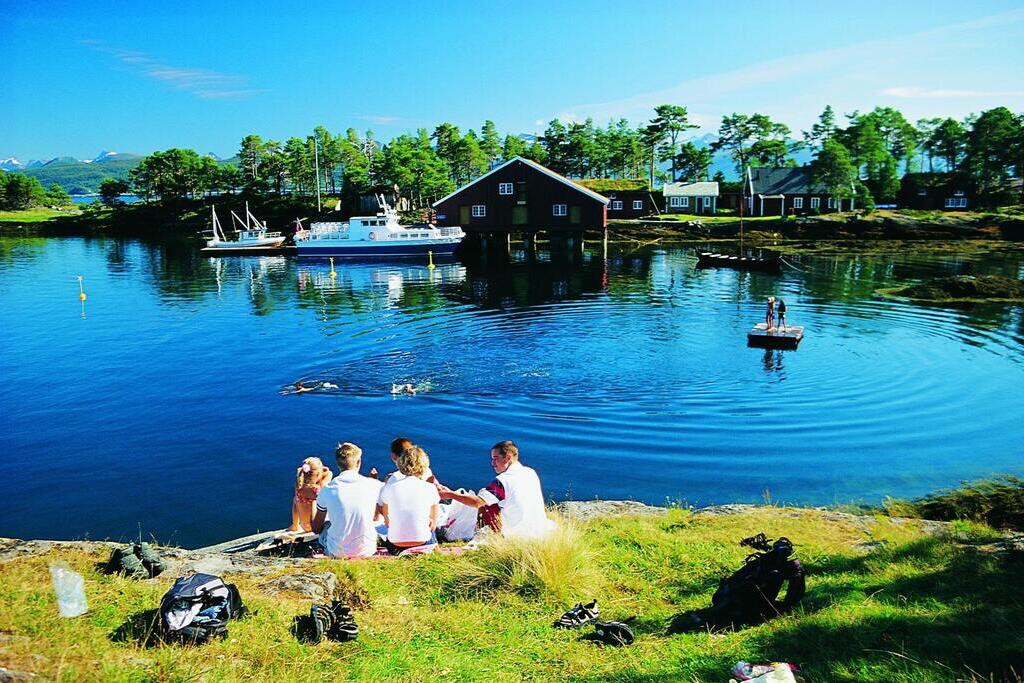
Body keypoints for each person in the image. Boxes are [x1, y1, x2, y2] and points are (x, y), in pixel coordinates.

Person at [434, 440, 555, 540]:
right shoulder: (530, 472)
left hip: (516, 536)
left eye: (495, 458)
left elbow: (477, 502)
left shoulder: (503, 481)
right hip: (537, 530)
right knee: (489, 497)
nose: (492, 463)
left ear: (508, 457)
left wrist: (451, 495)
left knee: (486, 504)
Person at [311, 442, 384, 558]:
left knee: (328, 524)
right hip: (368, 549)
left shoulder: (327, 490)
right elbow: (377, 515)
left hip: (337, 552)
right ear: (359, 462)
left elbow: (316, 529)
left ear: (338, 464)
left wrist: (313, 501)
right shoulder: (374, 485)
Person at [377, 445, 441, 554]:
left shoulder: (389, 488)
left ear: (401, 464)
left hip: (395, 547)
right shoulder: (430, 488)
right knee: (431, 529)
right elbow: (433, 523)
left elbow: (387, 522)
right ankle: (435, 551)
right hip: (424, 544)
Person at [288, 457, 333, 532]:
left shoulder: (299, 485)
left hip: (304, 525)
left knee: (295, 499)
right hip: (313, 527)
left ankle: (295, 525)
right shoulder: (317, 490)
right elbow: (329, 474)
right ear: (319, 473)